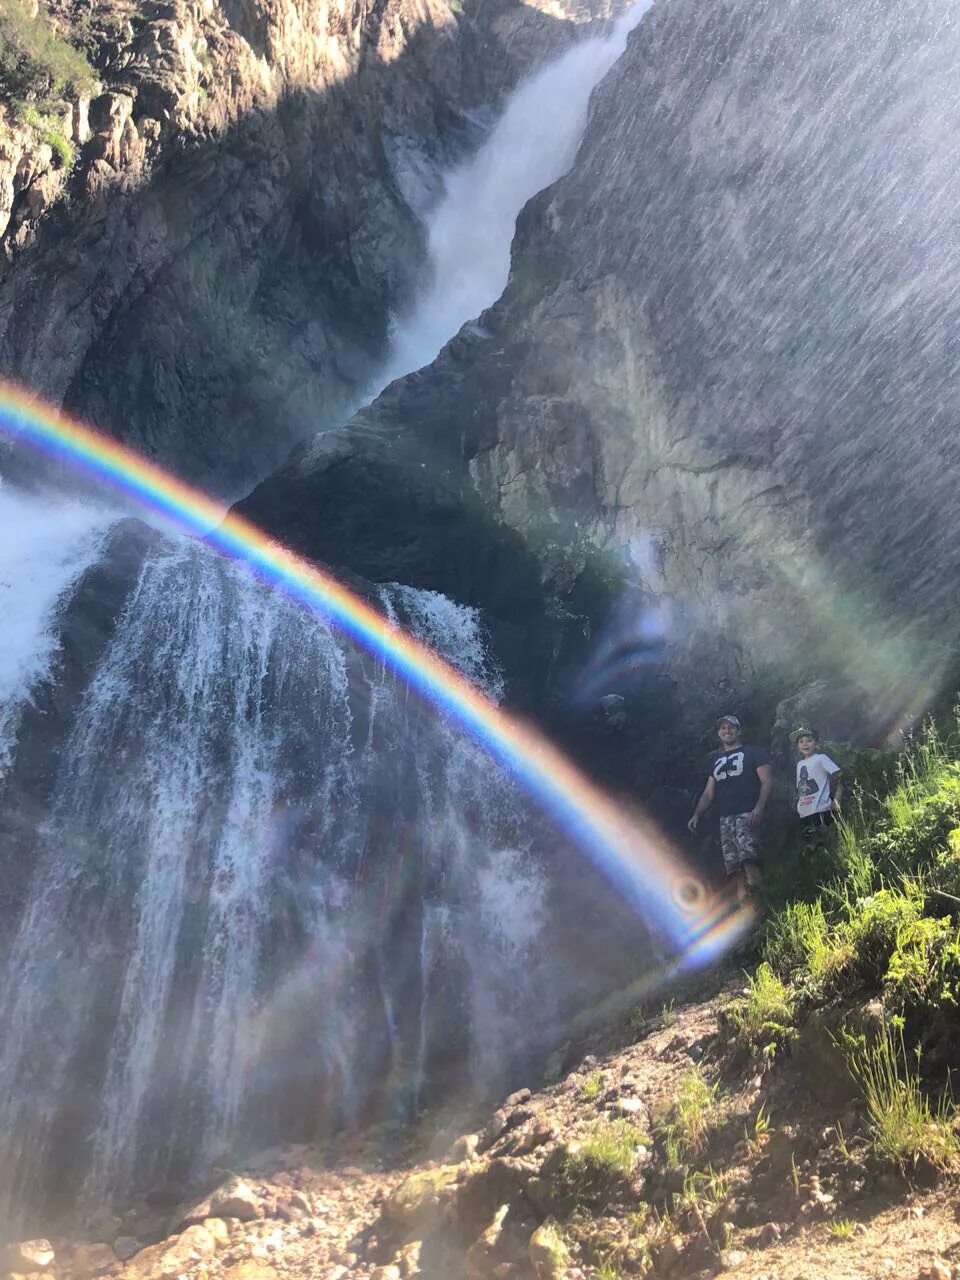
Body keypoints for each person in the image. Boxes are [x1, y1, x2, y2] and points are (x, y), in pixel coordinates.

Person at [687, 715, 773, 901]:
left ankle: (762, 902)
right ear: (719, 733)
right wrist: (696, 814)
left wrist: (759, 808)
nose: (727, 731)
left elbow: (766, 781)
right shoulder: (715, 762)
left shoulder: (753, 752)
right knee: (733, 868)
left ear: (738, 731)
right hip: (725, 819)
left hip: (747, 812)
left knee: (749, 859)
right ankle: (747, 909)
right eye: (723, 728)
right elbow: (708, 792)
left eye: (731, 727)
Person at [791, 726, 842, 837]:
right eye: (801, 741)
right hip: (804, 812)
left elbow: (839, 775)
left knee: (824, 842)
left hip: (820, 809)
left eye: (809, 740)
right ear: (797, 746)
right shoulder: (799, 764)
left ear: (816, 743)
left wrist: (837, 799)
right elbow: (800, 790)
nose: (805, 744)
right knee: (810, 846)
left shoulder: (821, 758)